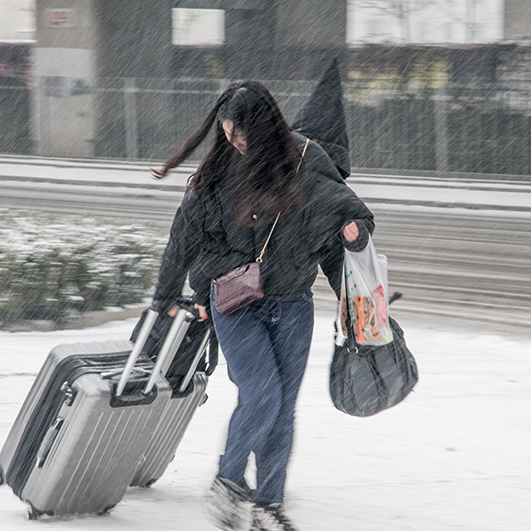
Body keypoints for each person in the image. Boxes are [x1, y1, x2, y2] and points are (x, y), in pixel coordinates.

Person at [150, 81, 374, 531]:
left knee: (283, 408)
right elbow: (183, 240)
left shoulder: (306, 162)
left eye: (241, 135)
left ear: (267, 128)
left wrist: (355, 236)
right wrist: (165, 299)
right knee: (262, 395)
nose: (234, 143)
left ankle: (268, 507)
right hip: (236, 303)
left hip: (292, 303)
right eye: (228, 134)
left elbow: (343, 221)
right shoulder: (218, 174)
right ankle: (228, 482)